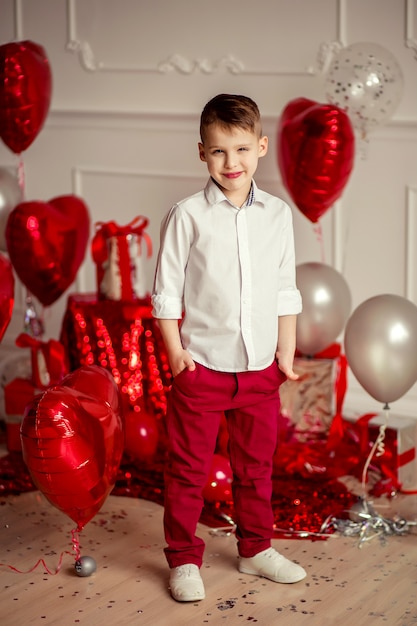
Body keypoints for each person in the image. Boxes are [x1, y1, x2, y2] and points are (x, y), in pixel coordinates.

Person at [151, 93, 306, 602]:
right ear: (202, 153)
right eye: (219, 152)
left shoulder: (278, 215)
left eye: (241, 149)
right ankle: (183, 558)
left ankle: (256, 548)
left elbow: (286, 287)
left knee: (256, 467)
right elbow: (167, 292)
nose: (231, 163)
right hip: (203, 367)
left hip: (261, 368)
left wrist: (286, 351)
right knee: (188, 469)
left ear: (261, 146)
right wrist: (176, 355)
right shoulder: (187, 215)